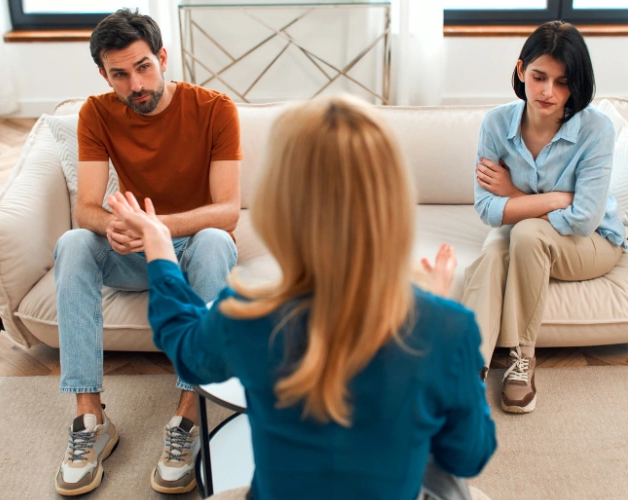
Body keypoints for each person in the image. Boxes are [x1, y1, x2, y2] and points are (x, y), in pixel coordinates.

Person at [107, 95, 497, 500]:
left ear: (280, 203)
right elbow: (468, 456)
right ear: (394, 200)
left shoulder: (245, 316)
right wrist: (442, 319)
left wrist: (159, 247)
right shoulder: (448, 328)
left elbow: (186, 347)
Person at [52, 9, 242, 496]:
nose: (135, 84)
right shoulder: (95, 112)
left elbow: (226, 211)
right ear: (103, 74)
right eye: (119, 74)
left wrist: (155, 227)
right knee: (74, 242)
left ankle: (188, 415)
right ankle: (89, 418)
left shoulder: (215, 109)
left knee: (217, 240)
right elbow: (87, 209)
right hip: (137, 251)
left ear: (162, 57)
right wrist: (116, 226)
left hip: (192, 247)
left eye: (143, 67)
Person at [462, 21, 626, 414]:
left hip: (593, 243)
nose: (549, 92)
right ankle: (465, 369)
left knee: (528, 234)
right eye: (539, 77)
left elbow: (584, 219)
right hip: (523, 233)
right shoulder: (496, 124)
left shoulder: (596, 130)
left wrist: (515, 197)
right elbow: (487, 209)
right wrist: (554, 198)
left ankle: (522, 359)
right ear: (521, 72)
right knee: (494, 253)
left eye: (563, 82)